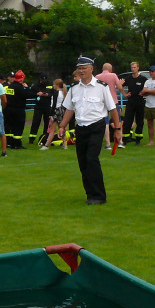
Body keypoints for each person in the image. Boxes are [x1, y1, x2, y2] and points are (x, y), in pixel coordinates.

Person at [58, 56, 122, 205]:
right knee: (83, 162)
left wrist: (117, 129)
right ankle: (90, 194)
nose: (81, 71)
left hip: (97, 126)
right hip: (81, 128)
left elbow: (113, 109)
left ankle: (99, 196)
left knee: (92, 159)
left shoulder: (102, 87)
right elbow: (69, 109)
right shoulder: (74, 89)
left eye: (84, 68)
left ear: (92, 69)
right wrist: (62, 126)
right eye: (79, 68)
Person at [3, 69, 33, 149]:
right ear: (22, 78)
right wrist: (27, 88)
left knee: (11, 127)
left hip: (9, 109)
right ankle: (17, 144)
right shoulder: (20, 87)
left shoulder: (10, 86)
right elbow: (27, 95)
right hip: (18, 110)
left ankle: (11, 143)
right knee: (19, 127)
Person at [119, 61, 147, 145]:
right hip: (130, 101)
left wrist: (144, 93)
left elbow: (148, 88)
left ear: (138, 68)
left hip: (140, 102)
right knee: (127, 120)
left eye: (134, 67)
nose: (133, 69)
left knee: (139, 121)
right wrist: (124, 94)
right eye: (132, 67)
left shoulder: (143, 79)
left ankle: (138, 138)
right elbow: (119, 86)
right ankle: (125, 138)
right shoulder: (128, 78)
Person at [96, 63, 122, 148]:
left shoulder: (97, 77)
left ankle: (108, 144)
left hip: (102, 102)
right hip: (113, 100)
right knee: (117, 121)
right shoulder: (113, 75)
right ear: (110, 69)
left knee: (105, 122)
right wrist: (121, 83)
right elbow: (119, 87)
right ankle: (120, 141)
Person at [40, 79, 68, 149]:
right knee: (61, 128)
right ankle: (65, 144)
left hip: (56, 111)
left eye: (54, 84)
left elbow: (54, 104)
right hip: (61, 110)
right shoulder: (62, 92)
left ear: (57, 85)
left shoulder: (56, 93)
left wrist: (51, 114)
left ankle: (46, 145)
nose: (53, 85)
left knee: (52, 130)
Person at [29, 75, 56, 147]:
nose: (44, 81)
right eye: (42, 80)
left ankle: (45, 137)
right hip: (38, 106)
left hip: (48, 106)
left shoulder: (50, 84)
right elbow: (30, 93)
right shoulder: (35, 85)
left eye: (45, 80)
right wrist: (37, 94)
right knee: (36, 122)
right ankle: (32, 138)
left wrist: (48, 94)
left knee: (47, 123)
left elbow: (54, 93)